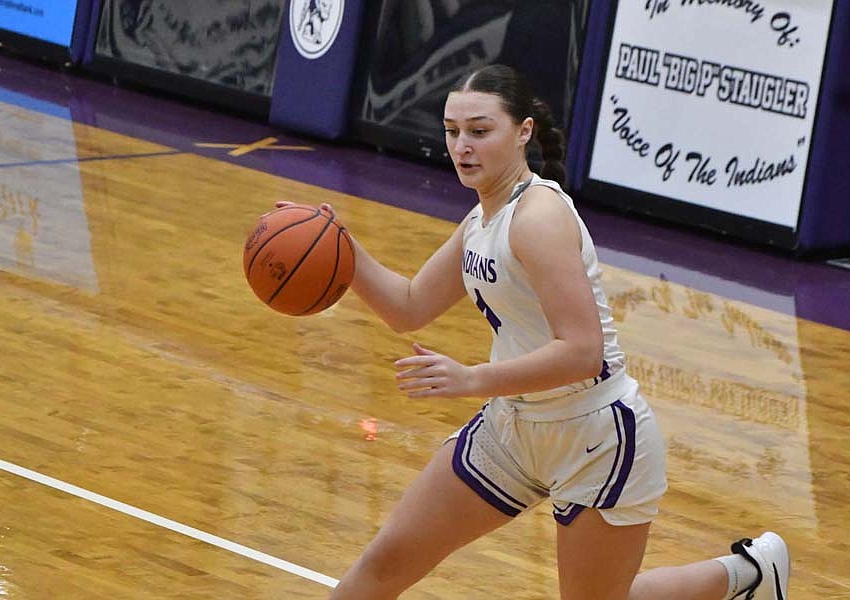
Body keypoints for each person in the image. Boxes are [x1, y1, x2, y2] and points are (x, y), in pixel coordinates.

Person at [288, 64, 791, 599]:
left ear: (523, 131)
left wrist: (471, 378)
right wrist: (339, 244)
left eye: (480, 131)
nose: (463, 146)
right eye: (452, 131)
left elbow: (582, 352)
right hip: (514, 428)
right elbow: (409, 307)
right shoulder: (480, 221)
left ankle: (749, 575)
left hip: (593, 436)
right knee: (385, 563)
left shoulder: (539, 217)